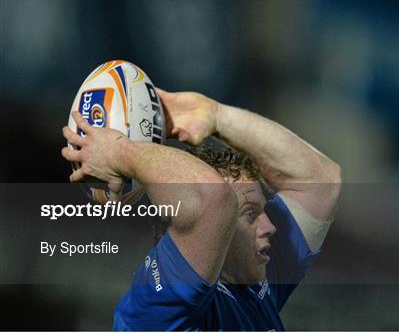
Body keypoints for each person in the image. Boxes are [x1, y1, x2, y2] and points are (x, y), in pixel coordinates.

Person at [61, 90, 341, 330]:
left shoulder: (252, 279)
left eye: (262, 210)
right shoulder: (156, 305)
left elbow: (321, 180)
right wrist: (121, 153)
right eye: (249, 214)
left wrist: (217, 116)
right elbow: (211, 198)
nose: (270, 227)